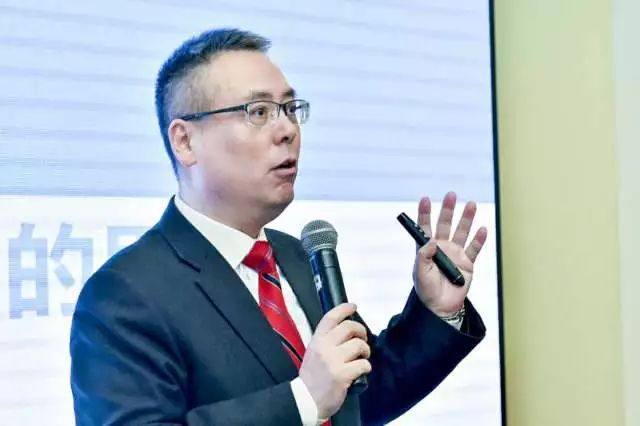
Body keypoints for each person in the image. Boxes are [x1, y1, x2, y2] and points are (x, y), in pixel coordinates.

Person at [70, 28, 488, 425]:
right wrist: (303, 401)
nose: (287, 130)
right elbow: (316, 397)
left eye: (289, 109)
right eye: (258, 112)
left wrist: (437, 310)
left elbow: (359, 398)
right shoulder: (123, 297)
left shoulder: (295, 255)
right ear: (185, 141)